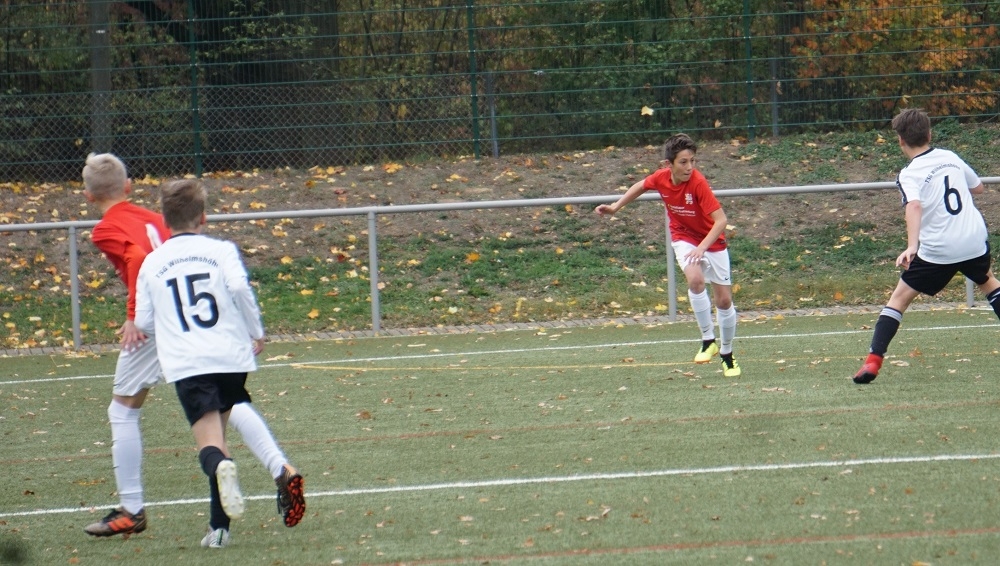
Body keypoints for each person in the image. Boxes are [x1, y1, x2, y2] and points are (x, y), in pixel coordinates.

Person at [80, 154, 305, 541]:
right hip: (199, 322)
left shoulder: (105, 229)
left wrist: (133, 316)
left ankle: (132, 509)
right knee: (228, 404)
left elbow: (139, 259)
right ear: (129, 187)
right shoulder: (152, 216)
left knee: (123, 410)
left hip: (160, 320)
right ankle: (275, 472)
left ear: (87, 196)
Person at [134, 178, 303, 548]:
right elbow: (240, 288)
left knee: (213, 449)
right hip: (230, 357)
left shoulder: (152, 262)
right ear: (203, 217)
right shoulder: (222, 250)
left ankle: (223, 479)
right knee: (221, 435)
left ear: (164, 219)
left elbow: (144, 322)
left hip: (189, 362)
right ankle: (219, 530)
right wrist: (256, 331)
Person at [853, 108, 1000, 384]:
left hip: (939, 250)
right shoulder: (950, 157)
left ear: (900, 140)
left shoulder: (909, 174)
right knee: (989, 283)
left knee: (899, 299)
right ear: (929, 135)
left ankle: (873, 362)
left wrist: (912, 246)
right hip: (973, 241)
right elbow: (978, 188)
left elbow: (914, 205)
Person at [595, 133, 740, 377]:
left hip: (712, 241)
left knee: (724, 301)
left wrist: (702, 247)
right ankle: (708, 340)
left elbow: (721, 221)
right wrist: (615, 207)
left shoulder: (698, 182)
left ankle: (727, 353)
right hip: (683, 237)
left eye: (692, 161)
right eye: (683, 162)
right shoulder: (661, 177)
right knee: (695, 280)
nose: (689, 167)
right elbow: (641, 186)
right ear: (668, 164)